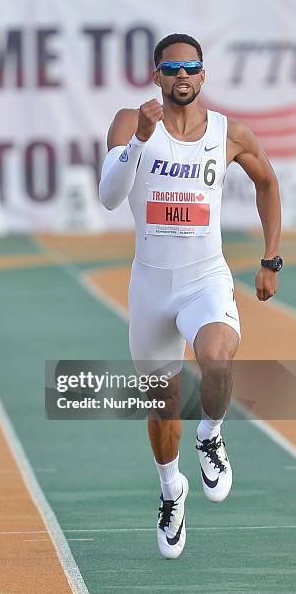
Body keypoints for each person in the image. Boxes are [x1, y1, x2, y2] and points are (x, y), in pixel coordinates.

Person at [99, 33, 282, 558]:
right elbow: (110, 198)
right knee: (162, 409)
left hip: (205, 277)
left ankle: (211, 433)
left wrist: (270, 258)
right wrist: (138, 140)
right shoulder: (130, 123)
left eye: (192, 67)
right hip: (152, 285)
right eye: (172, 67)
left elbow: (268, 183)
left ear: (203, 75)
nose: (183, 75)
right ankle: (171, 489)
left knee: (218, 362)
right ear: (156, 74)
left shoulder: (229, 133)